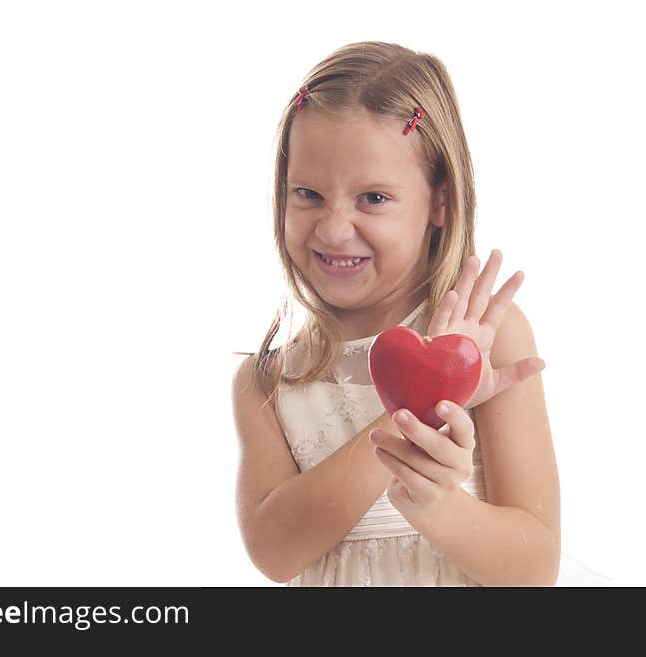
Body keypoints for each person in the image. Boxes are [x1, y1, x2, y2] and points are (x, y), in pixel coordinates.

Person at [232, 41, 611, 586]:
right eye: (308, 193)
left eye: (374, 199)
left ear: (439, 202)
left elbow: (533, 572)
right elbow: (274, 552)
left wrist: (433, 503)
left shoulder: (486, 341)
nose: (334, 227)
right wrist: (416, 411)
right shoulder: (268, 381)